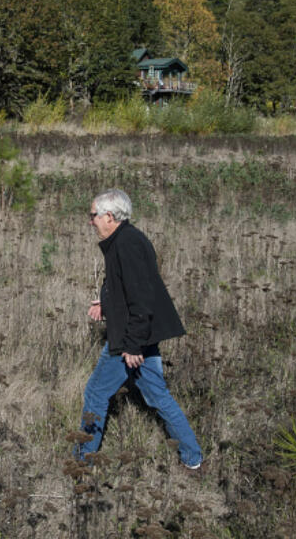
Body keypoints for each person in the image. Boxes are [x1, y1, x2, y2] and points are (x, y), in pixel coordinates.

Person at [76, 189, 203, 469]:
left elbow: (142, 298)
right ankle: (192, 457)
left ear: (109, 216)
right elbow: (126, 288)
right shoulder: (125, 239)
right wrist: (106, 304)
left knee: (96, 393)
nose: (90, 222)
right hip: (140, 332)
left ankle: (82, 462)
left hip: (129, 337)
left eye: (93, 216)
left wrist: (132, 345)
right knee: (157, 394)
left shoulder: (126, 244)